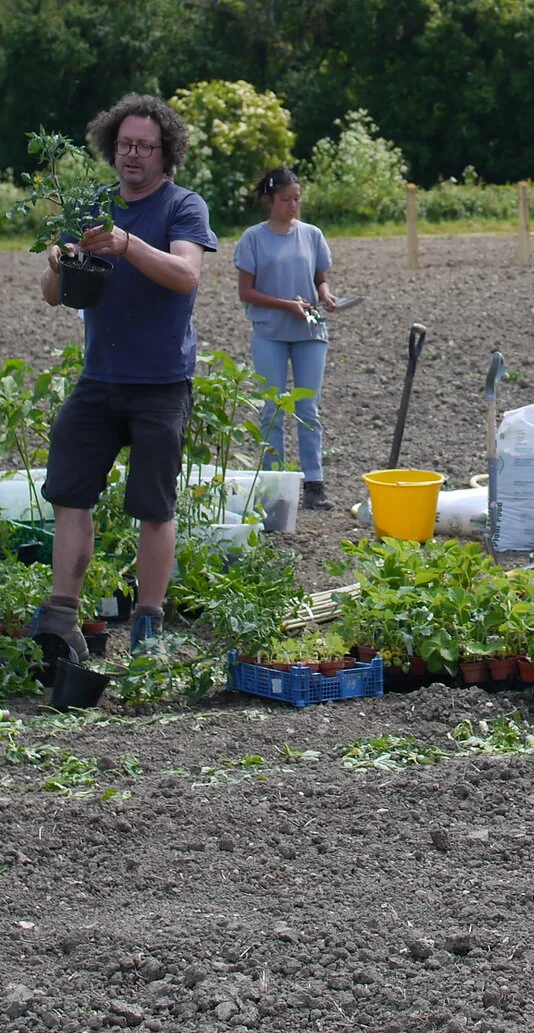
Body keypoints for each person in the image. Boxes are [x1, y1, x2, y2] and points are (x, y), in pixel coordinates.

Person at [29, 94, 218, 664]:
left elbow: (186, 275)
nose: (132, 155)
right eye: (125, 145)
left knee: (154, 505)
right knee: (68, 492)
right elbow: (53, 295)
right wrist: (58, 266)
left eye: (145, 147)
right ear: (113, 147)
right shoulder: (92, 206)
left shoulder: (183, 207)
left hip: (161, 381)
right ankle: (64, 614)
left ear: (166, 155)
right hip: (100, 378)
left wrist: (128, 244)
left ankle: (148, 623)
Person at [234, 165, 337, 512]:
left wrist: (325, 294)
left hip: (310, 331)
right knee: (273, 409)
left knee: (308, 409)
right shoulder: (252, 239)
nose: (293, 206)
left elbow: (319, 277)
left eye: (297, 199)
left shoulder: (312, 234)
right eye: (286, 200)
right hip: (270, 334)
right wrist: (285, 305)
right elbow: (246, 292)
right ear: (270, 200)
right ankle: (273, 485)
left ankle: (314, 482)